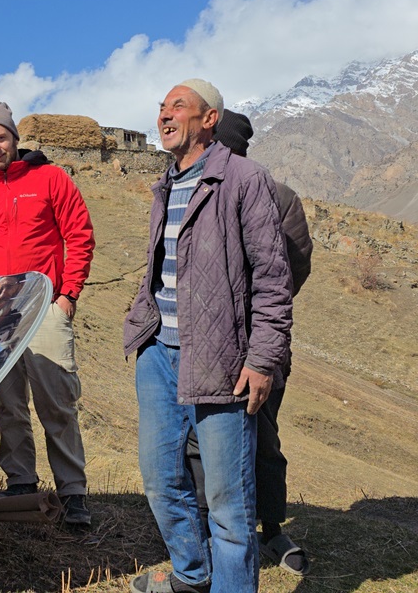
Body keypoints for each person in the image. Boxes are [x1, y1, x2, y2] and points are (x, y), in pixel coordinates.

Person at [124, 81, 293, 592]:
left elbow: (273, 277)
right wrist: (142, 323)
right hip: (159, 353)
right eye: (161, 107)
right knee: (161, 481)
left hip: (222, 359)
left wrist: (262, 359)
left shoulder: (244, 178)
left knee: (227, 501)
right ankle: (192, 577)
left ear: (209, 118)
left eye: (178, 106)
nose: (164, 115)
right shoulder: (166, 184)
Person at [0, 100, 96, 526]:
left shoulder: (50, 178)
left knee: (57, 401)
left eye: (0, 138)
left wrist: (68, 294)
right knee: (8, 402)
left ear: (15, 139)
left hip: (45, 305)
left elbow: (79, 234)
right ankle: (20, 484)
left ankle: (72, 492)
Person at [183, 110, 313, 576]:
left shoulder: (279, 197)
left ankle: (272, 529)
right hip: (205, 344)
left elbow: (290, 271)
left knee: (263, 437)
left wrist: (244, 312)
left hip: (261, 342)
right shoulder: (192, 189)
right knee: (199, 439)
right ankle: (210, 528)